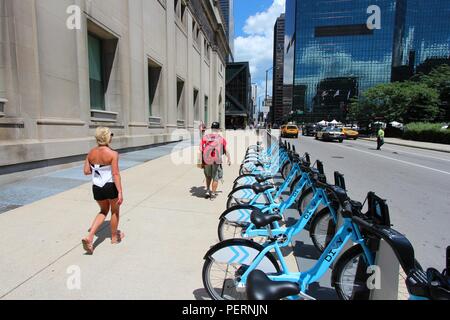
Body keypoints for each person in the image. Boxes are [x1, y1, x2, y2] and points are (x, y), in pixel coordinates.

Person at [82, 127, 124, 254]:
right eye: (111, 134)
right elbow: (115, 174)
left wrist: (94, 164)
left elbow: (86, 171)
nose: (112, 136)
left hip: (97, 187)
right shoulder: (113, 154)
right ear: (107, 137)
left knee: (103, 210)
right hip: (110, 186)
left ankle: (90, 237)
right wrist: (120, 192)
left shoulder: (90, 153)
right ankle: (114, 238)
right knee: (115, 211)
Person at [200, 122, 231, 200]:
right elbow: (226, 149)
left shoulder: (205, 137)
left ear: (211, 128)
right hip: (216, 160)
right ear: (218, 129)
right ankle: (213, 194)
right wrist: (229, 158)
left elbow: (200, 148)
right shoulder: (221, 138)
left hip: (207, 159)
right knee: (215, 177)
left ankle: (207, 191)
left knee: (208, 176)